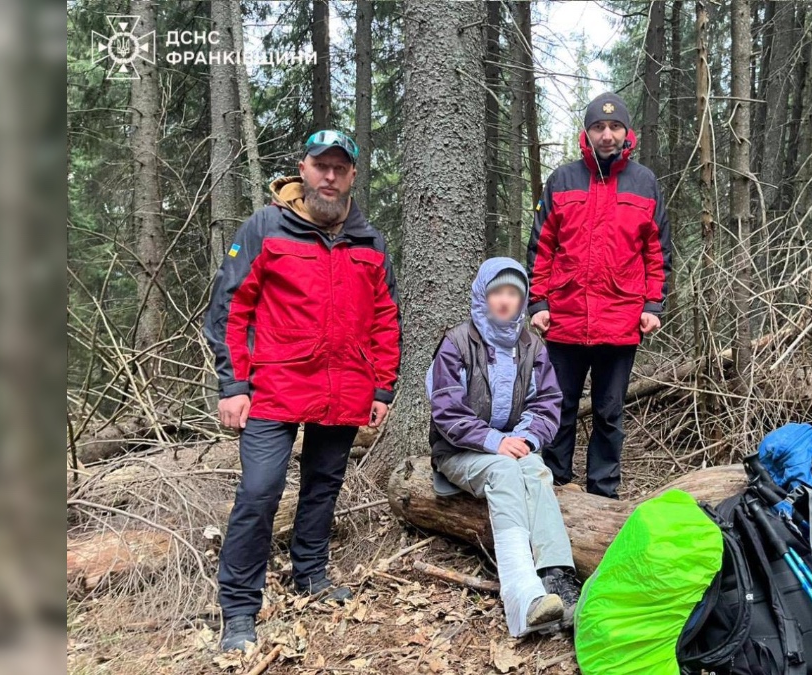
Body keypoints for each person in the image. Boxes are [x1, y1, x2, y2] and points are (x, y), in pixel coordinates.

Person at [203, 130, 401, 652]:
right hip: (272, 386)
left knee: (323, 483)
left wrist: (382, 386)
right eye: (321, 166)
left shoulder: (370, 240)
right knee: (260, 490)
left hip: (344, 388)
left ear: (353, 175)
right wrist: (233, 384)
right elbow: (230, 308)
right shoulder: (265, 227)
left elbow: (385, 317)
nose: (329, 177)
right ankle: (240, 609)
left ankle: (309, 573)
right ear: (303, 169)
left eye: (340, 168)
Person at [526, 92, 672, 498]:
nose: (606, 135)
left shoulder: (644, 182)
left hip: (621, 322)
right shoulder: (562, 180)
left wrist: (652, 305)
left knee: (610, 414)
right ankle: (554, 484)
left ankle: (602, 494)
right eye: (598, 127)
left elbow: (657, 251)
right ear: (585, 133)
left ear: (628, 133)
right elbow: (541, 246)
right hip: (566, 320)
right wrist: (538, 303)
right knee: (559, 407)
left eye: (614, 127)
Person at [426, 258, 581, 637]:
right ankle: (522, 594)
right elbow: (446, 410)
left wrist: (526, 439)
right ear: (483, 295)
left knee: (535, 469)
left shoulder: (531, 345)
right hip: (458, 450)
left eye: (514, 293)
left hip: (513, 445)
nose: (506, 301)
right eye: (498, 292)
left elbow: (546, 403)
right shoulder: (456, 343)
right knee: (505, 470)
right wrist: (494, 441)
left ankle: (557, 577)